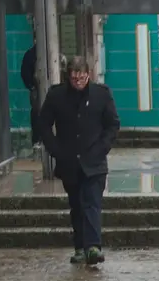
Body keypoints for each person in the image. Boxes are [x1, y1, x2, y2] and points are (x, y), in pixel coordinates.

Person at [37, 56, 119, 268]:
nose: (78, 80)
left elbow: (112, 125)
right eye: (74, 77)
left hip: (95, 161)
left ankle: (93, 247)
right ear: (69, 77)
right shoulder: (56, 96)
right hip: (69, 161)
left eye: (81, 77)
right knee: (76, 204)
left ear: (88, 75)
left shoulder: (102, 94)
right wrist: (56, 150)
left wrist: (102, 148)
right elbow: (43, 124)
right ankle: (80, 247)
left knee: (92, 202)